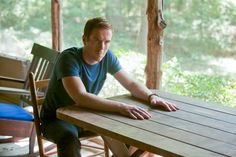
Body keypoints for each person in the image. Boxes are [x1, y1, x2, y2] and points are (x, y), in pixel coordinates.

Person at [40, 17, 179, 157]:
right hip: (56, 119)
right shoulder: (69, 58)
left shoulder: (107, 57)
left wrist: (151, 96)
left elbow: (130, 83)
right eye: (97, 40)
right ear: (85, 39)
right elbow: (80, 97)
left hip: (87, 115)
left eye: (107, 42)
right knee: (69, 139)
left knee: (133, 130)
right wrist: (121, 107)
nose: (102, 47)